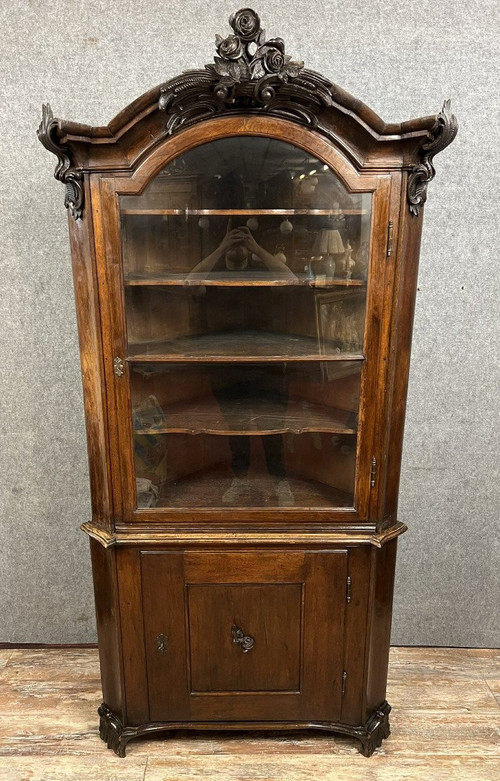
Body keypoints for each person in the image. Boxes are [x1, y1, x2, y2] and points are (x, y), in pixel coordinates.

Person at [186, 225, 295, 506]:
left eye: (242, 238)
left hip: (267, 366)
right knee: (235, 427)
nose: (237, 243)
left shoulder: (262, 273)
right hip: (226, 367)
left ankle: (280, 484)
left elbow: (292, 281)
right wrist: (222, 247)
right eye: (232, 237)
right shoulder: (213, 276)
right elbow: (189, 283)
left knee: (273, 427)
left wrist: (256, 248)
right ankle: (241, 481)